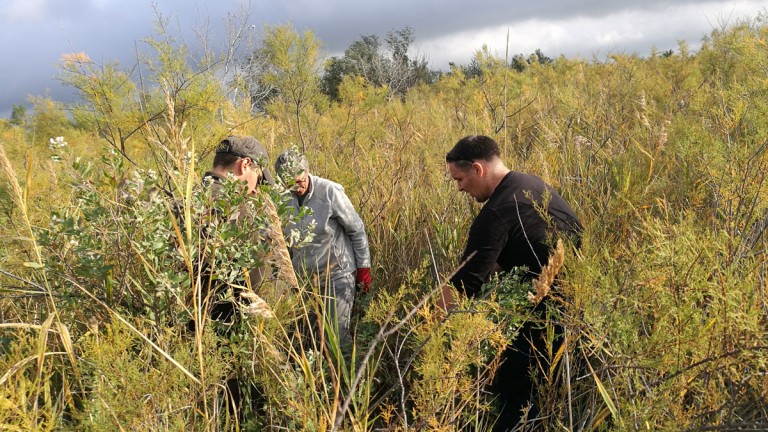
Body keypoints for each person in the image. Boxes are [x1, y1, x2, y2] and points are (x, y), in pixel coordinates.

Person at [440, 135, 582, 431]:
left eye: (461, 179)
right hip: (574, 305)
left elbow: (464, 283)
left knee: (514, 396)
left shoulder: (495, 214)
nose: (460, 187)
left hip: (545, 315)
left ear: (478, 169)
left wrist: (429, 330)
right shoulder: (531, 184)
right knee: (545, 397)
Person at [274, 148, 371, 347]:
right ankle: (319, 378)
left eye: (299, 180)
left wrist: (364, 269)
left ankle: (347, 377)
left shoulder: (329, 192)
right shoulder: (282, 198)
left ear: (307, 171)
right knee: (309, 339)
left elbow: (357, 230)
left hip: (338, 275)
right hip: (305, 281)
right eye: (289, 183)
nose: (296, 186)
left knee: (336, 338)